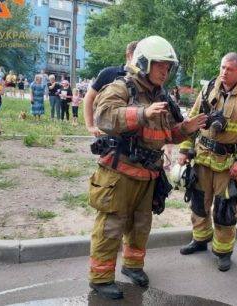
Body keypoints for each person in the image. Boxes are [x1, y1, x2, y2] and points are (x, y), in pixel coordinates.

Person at [87, 35, 207, 300]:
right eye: (160, 65)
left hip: (148, 174)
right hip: (119, 173)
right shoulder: (122, 87)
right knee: (111, 225)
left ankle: (133, 267)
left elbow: (166, 135)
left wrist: (186, 129)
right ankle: (100, 278)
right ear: (143, 63)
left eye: (168, 67)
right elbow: (104, 116)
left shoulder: (161, 96)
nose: (165, 71)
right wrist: (142, 113)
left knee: (141, 225)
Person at [178, 52, 237, 272]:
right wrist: (185, 150)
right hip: (202, 159)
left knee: (224, 211)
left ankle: (223, 252)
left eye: (230, 69)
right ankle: (200, 240)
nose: (224, 72)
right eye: (222, 68)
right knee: (198, 204)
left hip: (229, 165)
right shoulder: (209, 89)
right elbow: (192, 122)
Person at [83, 41, 138, 136]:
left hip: (135, 137)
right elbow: (89, 97)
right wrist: (90, 126)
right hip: (108, 135)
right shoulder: (109, 73)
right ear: (129, 55)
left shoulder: (145, 79)